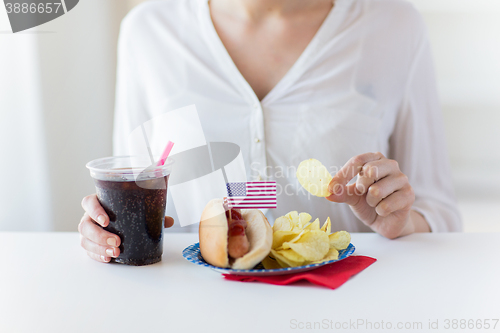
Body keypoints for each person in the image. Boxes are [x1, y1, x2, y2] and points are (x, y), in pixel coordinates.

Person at [79, 0, 461, 263]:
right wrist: (108, 234)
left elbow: (439, 210)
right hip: (192, 313)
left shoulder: (393, 28)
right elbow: (131, 192)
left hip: (346, 307)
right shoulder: (148, 33)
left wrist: (402, 222)